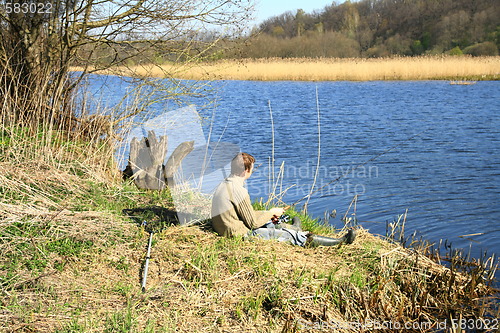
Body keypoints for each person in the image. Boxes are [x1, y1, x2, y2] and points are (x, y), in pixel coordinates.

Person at [211, 152, 356, 247]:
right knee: (294, 237)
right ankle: (341, 241)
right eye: (251, 170)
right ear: (245, 170)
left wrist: (268, 213)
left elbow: (243, 213)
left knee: (269, 221)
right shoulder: (239, 190)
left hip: (227, 228)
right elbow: (253, 223)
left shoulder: (224, 184)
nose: (251, 173)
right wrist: (271, 211)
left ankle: (295, 226)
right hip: (239, 235)